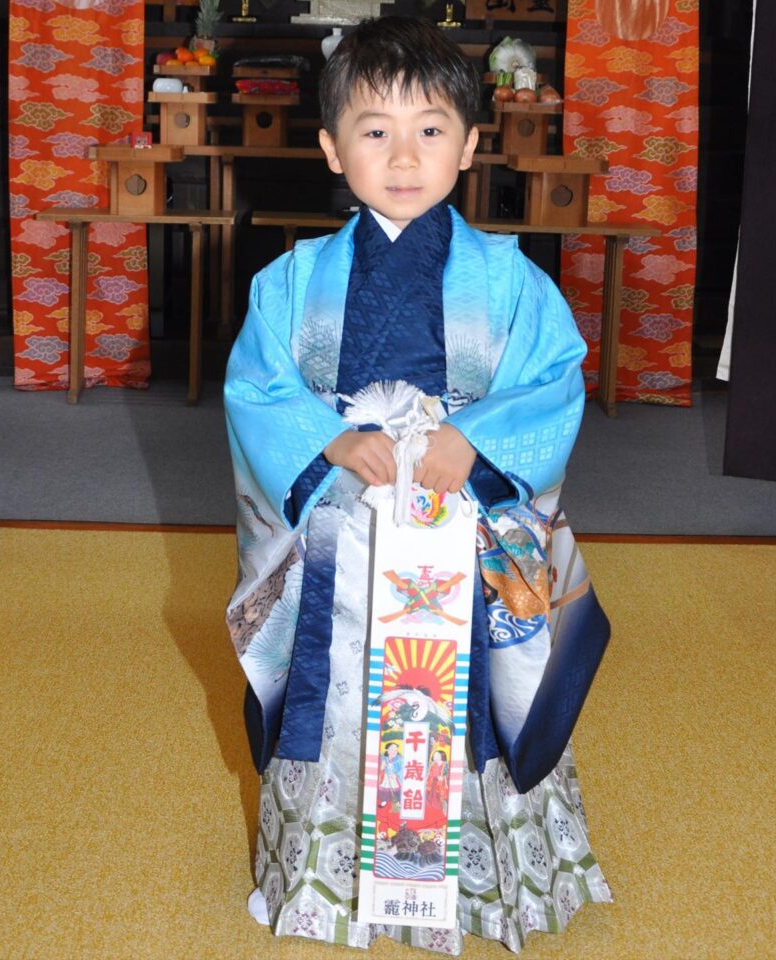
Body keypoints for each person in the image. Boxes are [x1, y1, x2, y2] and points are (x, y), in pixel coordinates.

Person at [224, 16, 612, 954]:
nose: (404, 156)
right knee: (335, 675)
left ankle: (484, 872)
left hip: (464, 518)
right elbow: (257, 387)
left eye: (431, 129)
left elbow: (554, 376)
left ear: (472, 144)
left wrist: (475, 444)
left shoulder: (509, 280)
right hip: (345, 526)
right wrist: (326, 443)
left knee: (473, 680)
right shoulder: (291, 280)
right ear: (330, 148)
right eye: (374, 130)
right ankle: (332, 870)